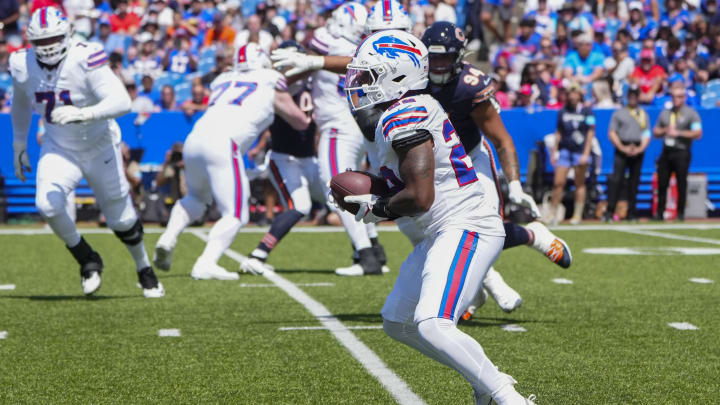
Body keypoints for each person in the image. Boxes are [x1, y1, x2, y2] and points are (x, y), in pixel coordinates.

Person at [343, 29, 536, 405]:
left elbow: (420, 195)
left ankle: (506, 397)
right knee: (397, 323)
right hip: (442, 229)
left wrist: (376, 209)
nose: (359, 82)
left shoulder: (407, 113)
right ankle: (489, 383)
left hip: (465, 224)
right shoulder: (403, 110)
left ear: (396, 75)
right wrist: (367, 191)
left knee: (432, 324)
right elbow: (400, 181)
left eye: (368, 74)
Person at [10, 6, 163, 297]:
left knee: (120, 219)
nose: (48, 46)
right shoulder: (21, 63)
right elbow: (19, 102)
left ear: (67, 33)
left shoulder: (84, 56)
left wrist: (85, 114)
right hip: (59, 145)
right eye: (40, 42)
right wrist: (19, 142)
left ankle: (144, 266)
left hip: (99, 143)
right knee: (47, 204)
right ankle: (87, 259)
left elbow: (121, 101)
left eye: (52, 38)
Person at [152, 43, 310, 279]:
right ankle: (207, 262)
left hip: (194, 139)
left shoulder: (223, 79)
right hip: (224, 143)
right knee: (236, 214)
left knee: (195, 198)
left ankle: (168, 238)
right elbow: (299, 121)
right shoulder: (269, 78)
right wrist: (306, 114)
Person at [240, 41, 325, 275]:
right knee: (301, 206)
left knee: (341, 202)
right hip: (284, 158)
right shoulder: (273, 86)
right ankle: (258, 254)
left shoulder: (313, 83)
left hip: (310, 159)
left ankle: (366, 254)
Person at [653, 85, 703, 221]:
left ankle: (680, 213)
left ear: (684, 98)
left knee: (681, 183)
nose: (676, 99)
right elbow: (655, 131)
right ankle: (659, 213)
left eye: (679, 96)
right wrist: (665, 130)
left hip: (682, 151)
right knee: (662, 183)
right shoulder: (666, 113)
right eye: (674, 96)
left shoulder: (691, 113)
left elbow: (698, 133)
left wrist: (679, 133)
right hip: (666, 151)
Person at [548, 83, 596, 225]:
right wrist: (554, 151)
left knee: (579, 183)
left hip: (580, 151)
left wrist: (586, 153)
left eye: (575, 93)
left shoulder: (587, 111)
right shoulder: (562, 111)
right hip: (565, 150)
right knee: (558, 183)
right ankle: (553, 213)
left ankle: (577, 214)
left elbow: (590, 132)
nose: (573, 96)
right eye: (570, 93)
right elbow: (559, 132)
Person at [605, 86, 651, 222]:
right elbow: (612, 132)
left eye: (635, 94)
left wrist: (640, 148)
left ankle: (632, 213)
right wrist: (622, 147)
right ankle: (610, 211)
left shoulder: (643, 114)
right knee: (616, 180)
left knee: (634, 182)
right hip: (622, 147)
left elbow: (647, 134)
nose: (633, 97)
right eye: (631, 94)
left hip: (637, 148)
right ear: (627, 95)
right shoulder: (619, 113)